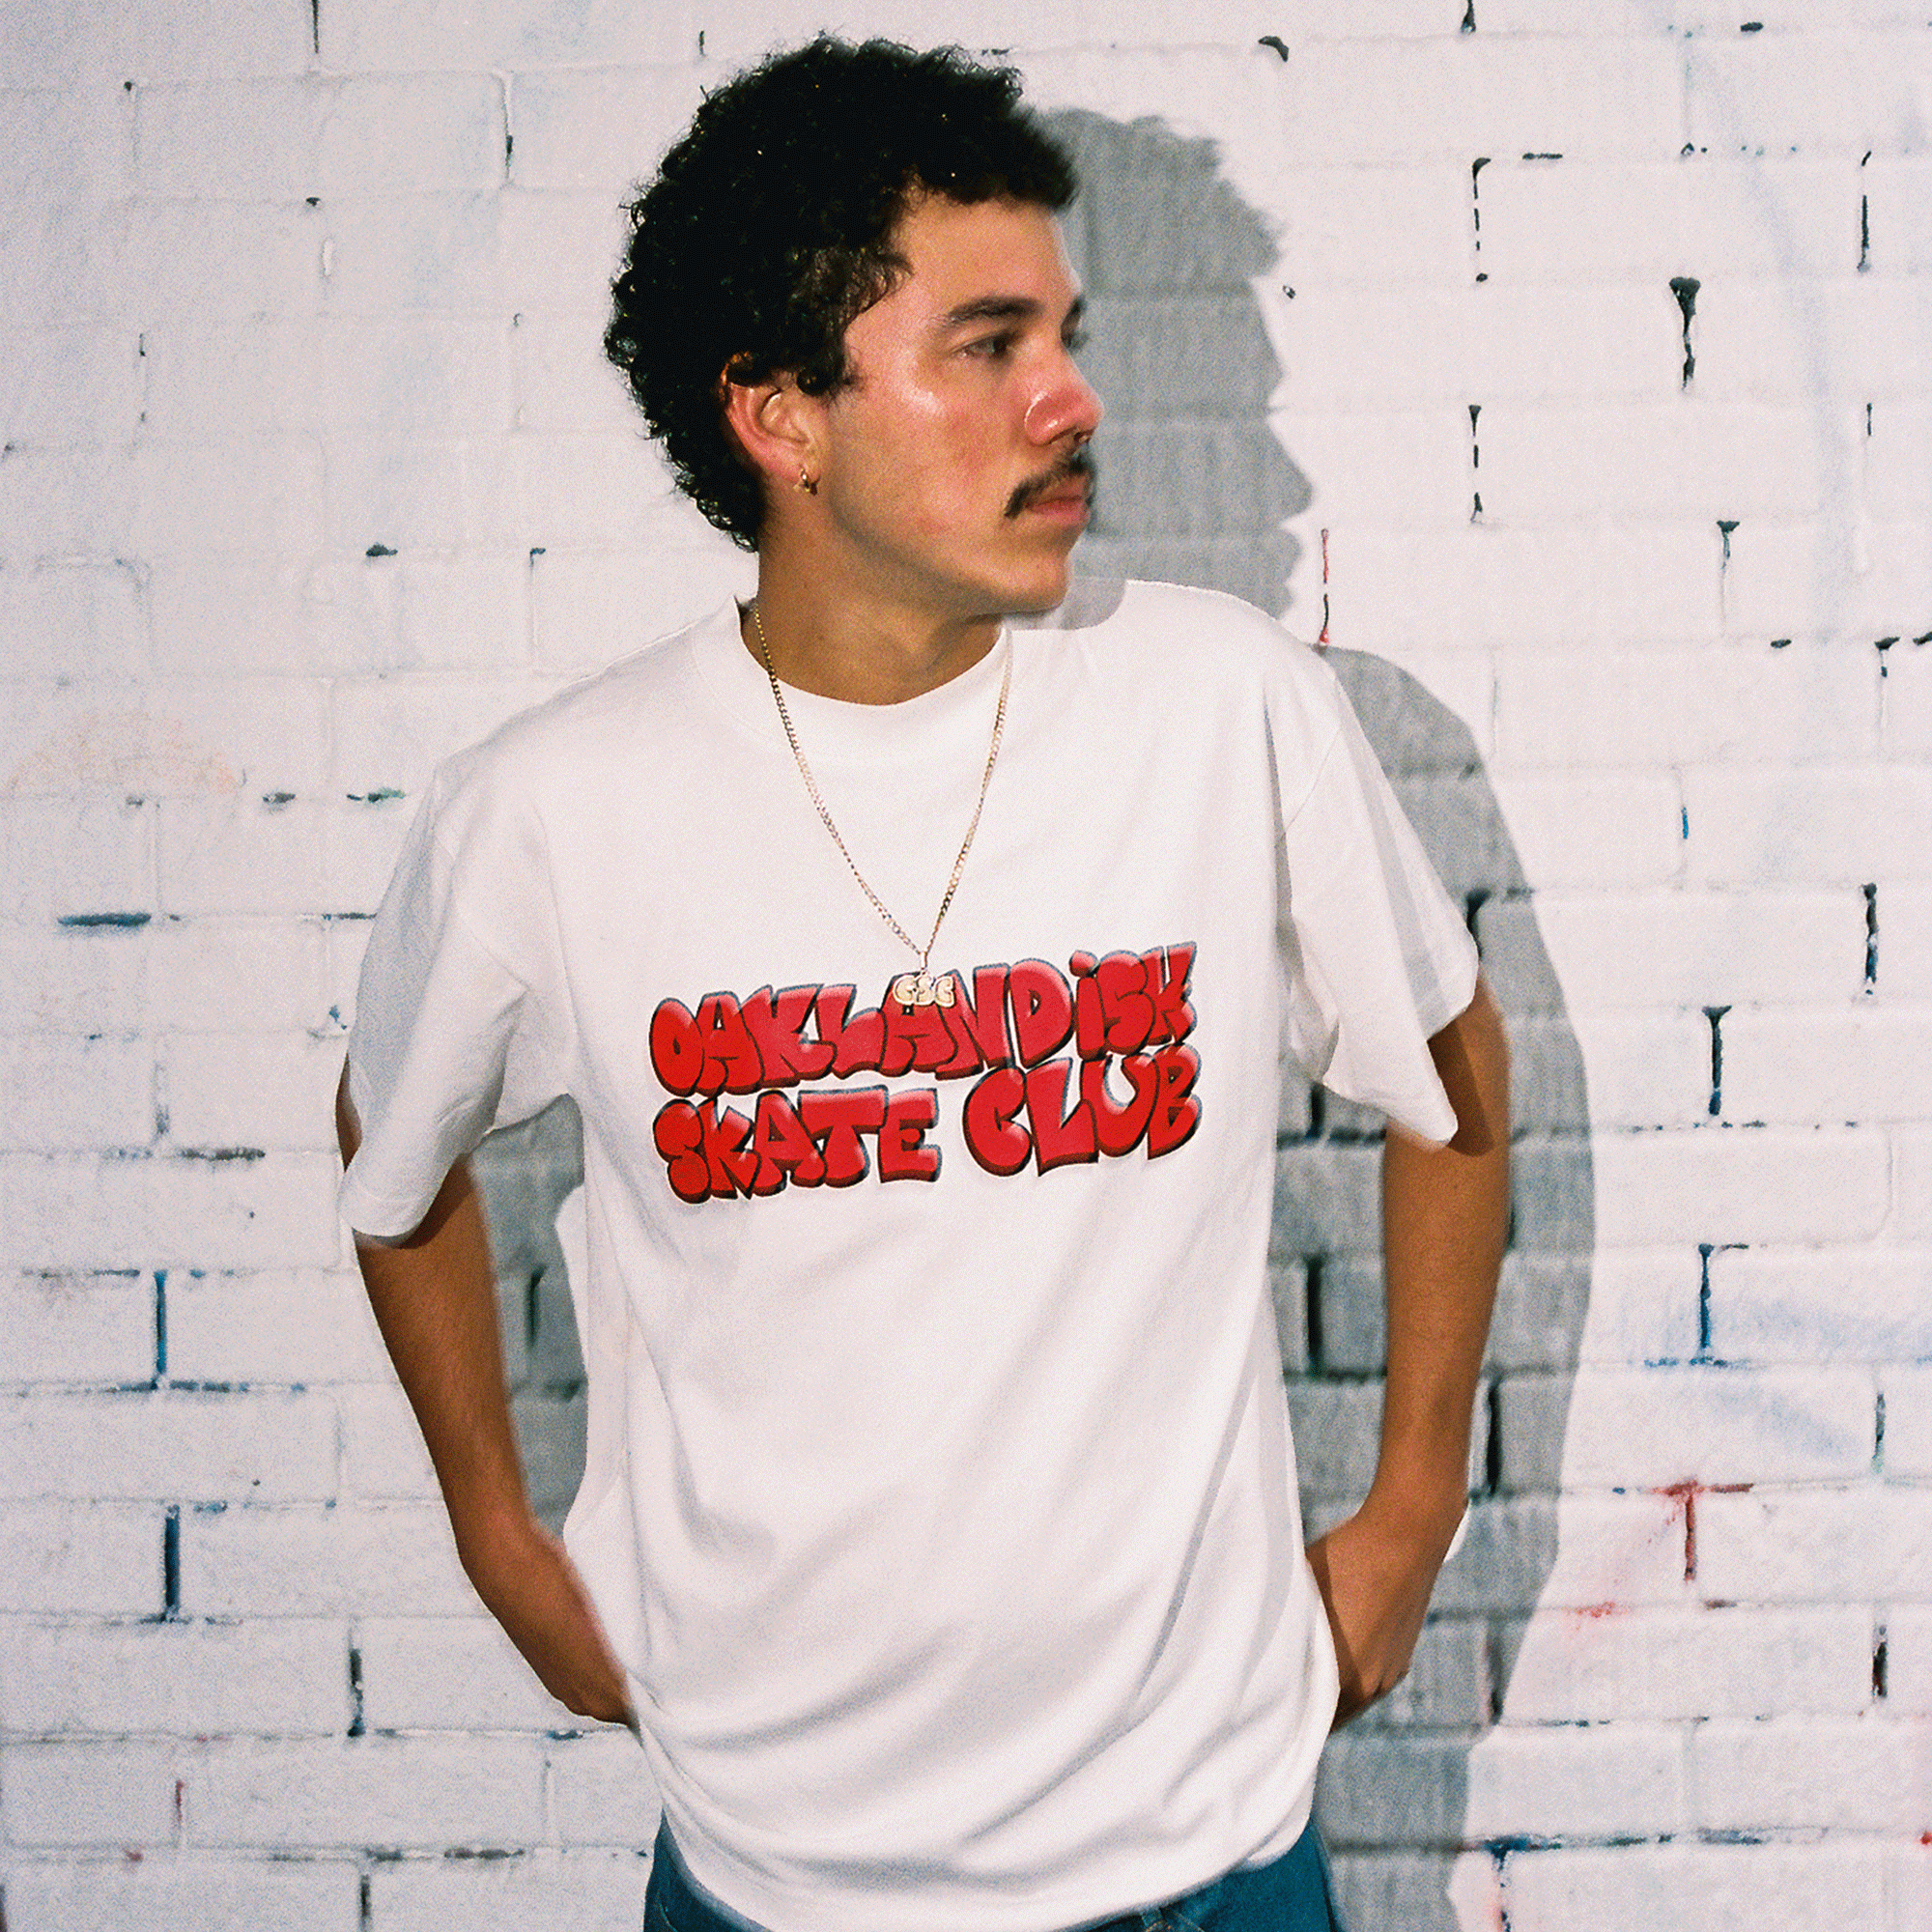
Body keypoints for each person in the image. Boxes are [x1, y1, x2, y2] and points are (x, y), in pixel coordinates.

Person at [335, 36, 1509, 1932]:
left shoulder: (1226, 709)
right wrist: (495, 1530)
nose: (1065, 399)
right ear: (778, 416)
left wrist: (1409, 1510)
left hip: (1205, 1851)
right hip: (785, 1881)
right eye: (982, 346)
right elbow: (392, 1153)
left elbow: (1446, 1074)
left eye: (1059, 333)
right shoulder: (551, 815)